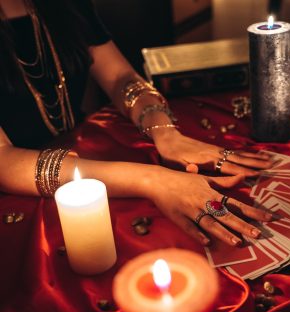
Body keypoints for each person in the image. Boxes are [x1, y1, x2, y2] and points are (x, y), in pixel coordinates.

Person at [0, 0, 274, 247]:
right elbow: (3, 162)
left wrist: (166, 134)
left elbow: (119, 76)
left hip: (83, 157)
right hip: (19, 195)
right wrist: (153, 180)